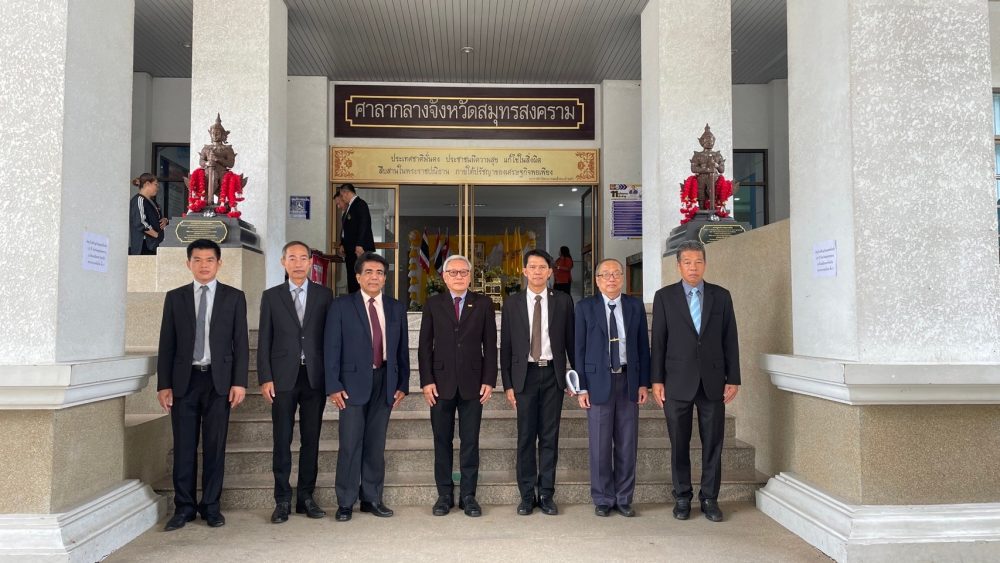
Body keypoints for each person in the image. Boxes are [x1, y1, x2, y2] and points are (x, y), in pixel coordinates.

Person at [157, 239, 249, 531]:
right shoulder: (175, 298)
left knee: (214, 446)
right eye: (197, 259)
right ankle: (184, 508)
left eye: (210, 260)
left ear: (219, 263)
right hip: (184, 382)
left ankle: (211, 506)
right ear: (188, 264)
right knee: (184, 447)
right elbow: (167, 344)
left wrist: (239, 382)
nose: (204, 265)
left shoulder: (234, 297)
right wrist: (163, 384)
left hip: (218, 382)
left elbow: (241, 343)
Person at [650, 240, 740, 523]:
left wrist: (733, 377)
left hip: (713, 382)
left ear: (705, 264)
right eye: (687, 262)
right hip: (676, 381)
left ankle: (710, 498)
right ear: (678, 265)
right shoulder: (664, 297)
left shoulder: (721, 296)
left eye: (698, 262)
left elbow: (730, 338)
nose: (693, 267)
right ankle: (682, 497)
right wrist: (656, 380)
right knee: (679, 443)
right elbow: (659, 341)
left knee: (713, 443)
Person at [325, 252, 409, 522]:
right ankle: (345, 501)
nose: (375, 277)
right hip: (350, 385)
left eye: (380, 273)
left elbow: (402, 350)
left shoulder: (396, 308)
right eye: (369, 272)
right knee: (350, 443)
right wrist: (333, 385)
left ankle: (372, 498)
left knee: (375, 444)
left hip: (385, 382)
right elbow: (331, 347)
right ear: (358, 277)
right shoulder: (341, 306)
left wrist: (403, 383)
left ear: (385, 278)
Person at [257, 241, 333, 524]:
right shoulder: (271, 296)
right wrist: (265, 377)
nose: (298, 263)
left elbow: (331, 339)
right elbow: (264, 339)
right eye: (292, 258)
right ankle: (282, 500)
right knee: (282, 439)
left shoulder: (324, 295)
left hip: (315, 377)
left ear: (311, 262)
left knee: (311, 440)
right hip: (282, 378)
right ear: (283, 262)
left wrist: (332, 378)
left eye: (303, 258)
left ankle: (306, 497)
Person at [418, 254, 497, 517]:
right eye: (453, 272)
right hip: (440, 385)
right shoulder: (433, 304)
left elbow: (490, 345)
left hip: (473, 384)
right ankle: (444, 496)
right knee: (442, 441)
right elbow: (424, 346)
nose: (459, 276)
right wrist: (426, 380)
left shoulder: (483, 304)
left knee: (470, 441)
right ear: (444, 277)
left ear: (470, 276)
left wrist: (489, 380)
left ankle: (468, 496)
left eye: (464, 272)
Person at [500, 249, 575, 516]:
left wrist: (575, 378)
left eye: (542, 267)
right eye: (532, 267)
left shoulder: (563, 301)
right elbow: (506, 346)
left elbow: (571, 341)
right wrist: (508, 384)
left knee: (549, 437)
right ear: (524, 271)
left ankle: (546, 494)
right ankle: (526, 495)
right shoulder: (512, 303)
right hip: (525, 377)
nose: (537, 271)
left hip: (553, 375)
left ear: (550, 271)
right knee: (525, 437)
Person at [574, 258, 650, 518]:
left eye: (616, 273)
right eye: (605, 274)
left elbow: (643, 346)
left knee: (627, 444)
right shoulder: (585, 307)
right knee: (600, 445)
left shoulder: (634, 306)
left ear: (622, 278)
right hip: (598, 383)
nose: (611, 278)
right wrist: (582, 387)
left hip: (628, 381)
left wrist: (643, 383)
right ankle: (603, 497)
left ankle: (624, 497)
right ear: (597, 280)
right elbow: (579, 349)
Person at [337, 183, 375, 294]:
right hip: (350, 249)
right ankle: (354, 300)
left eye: (342, 195)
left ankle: (361, 301)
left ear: (346, 192)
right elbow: (347, 230)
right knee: (352, 278)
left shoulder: (360, 204)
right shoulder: (350, 207)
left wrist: (360, 244)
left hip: (358, 249)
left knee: (359, 277)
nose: (342, 198)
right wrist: (342, 243)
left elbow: (364, 224)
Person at [128, 173, 167, 255]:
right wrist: (157, 235)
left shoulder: (153, 202)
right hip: (144, 246)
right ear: (147, 184)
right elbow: (141, 222)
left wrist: (165, 220)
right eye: (156, 185)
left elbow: (156, 219)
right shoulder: (139, 200)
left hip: (153, 245)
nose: (157, 188)